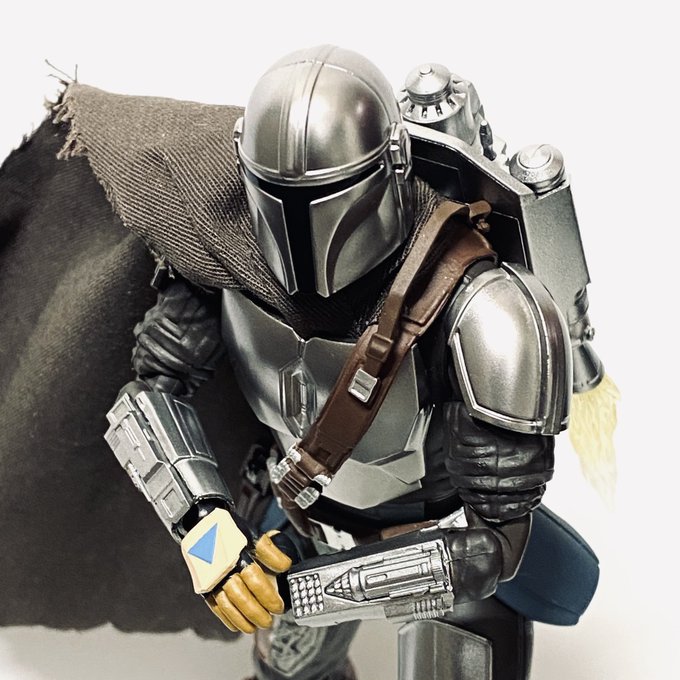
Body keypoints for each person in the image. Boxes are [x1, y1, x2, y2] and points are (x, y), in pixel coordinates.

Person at [103, 45, 600, 680]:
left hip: (437, 543)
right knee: (286, 671)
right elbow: (150, 393)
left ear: (393, 165)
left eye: (327, 194)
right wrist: (204, 525)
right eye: (278, 195)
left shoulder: (485, 308)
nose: (302, 228)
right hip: (295, 522)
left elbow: (492, 546)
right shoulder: (217, 254)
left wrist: (303, 592)